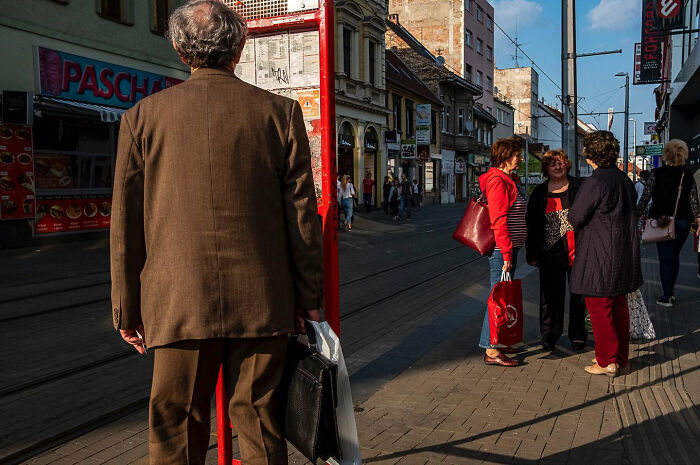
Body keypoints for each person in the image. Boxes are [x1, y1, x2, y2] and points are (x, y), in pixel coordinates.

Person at [110, 2, 324, 463]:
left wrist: (127, 308)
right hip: (264, 301)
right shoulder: (280, 113)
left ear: (179, 48)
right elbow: (301, 217)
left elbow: (125, 227)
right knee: (260, 421)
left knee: (176, 425)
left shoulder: (140, 118)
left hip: (177, 299)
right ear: (240, 46)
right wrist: (309, 296)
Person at [569, 131, 642, 377]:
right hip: (623, 251)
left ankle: (606, 360)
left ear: (591, 154)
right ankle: (620, 357)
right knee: (619, 305)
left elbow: (576, 217)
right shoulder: (624, 180)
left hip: (600, 252)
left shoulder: (595, 182)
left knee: (599, 307)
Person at [526, 149, 587, 351]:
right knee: (550, 298)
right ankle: (549, 335)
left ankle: (578, 335)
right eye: (553, 163)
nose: (558, 166)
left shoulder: (580, 187)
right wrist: (532, 253)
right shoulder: (539, 193)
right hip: (550, 253)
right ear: (546, 169)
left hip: (578, 251)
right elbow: (532, 225)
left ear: (567, 164)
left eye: (561, 162)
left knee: (578, 296)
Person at [478, 136, 526, 367]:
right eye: (518, 155)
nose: (521, 159)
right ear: (506, 157)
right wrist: (506, 253)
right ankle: (491, 349)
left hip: (508, 248)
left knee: (501, 296)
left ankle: (498, 341)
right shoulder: (498, 181)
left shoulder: (508, 178)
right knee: (497, 297)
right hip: (501, 249)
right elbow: (498, 219)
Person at [636, 139, 700, 307]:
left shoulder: (656, 174)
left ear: (666, 155)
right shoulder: (688, 175)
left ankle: (667, 296)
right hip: (683, 222)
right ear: (683, 154)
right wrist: (698, 218)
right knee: (674, 256)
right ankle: (670, 292)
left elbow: (645, 198)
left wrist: (635, 215)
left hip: (661, 221)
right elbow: (693, 200)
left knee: (665, 258)